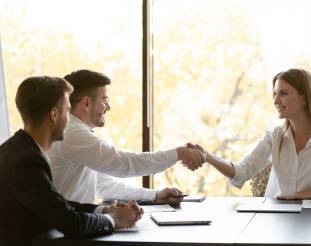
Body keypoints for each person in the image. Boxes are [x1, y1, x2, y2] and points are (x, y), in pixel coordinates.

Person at [0, 76, 142, 246]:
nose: (70, 120)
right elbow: (71, 223)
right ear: (54, 114)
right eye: (68, 111)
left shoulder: (14, 149)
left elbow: (56, 206)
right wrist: (114, 220)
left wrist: (104, 211)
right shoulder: (27, 162)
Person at [189, 68, 311, 199]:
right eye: (275, 94)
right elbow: (241, 173)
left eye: (283, 93)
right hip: (276, 222)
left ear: (304, 98)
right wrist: (207, 156)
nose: (276, 100)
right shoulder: (274, 137)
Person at [48, 69, 205, 204]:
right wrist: (178, 153)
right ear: (86, 103)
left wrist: (155, 195)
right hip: (60, 233)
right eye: (105, 100)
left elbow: (103, 185)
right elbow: (122, 163)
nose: (108, 107)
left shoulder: (75, 132)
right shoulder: (73, 134)